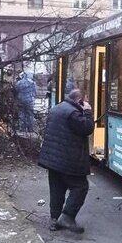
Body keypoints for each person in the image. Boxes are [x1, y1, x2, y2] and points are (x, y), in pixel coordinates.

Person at [37, 88, 95, 233]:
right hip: (67, 159)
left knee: (57, 189)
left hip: (53, 159)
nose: (87, 103)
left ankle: (54, 220)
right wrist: (88, 111)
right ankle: (67, 217)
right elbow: (87, 128)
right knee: (80, 187)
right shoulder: (73, 113)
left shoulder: (57, 108)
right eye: (86, 100)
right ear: (79, 101)